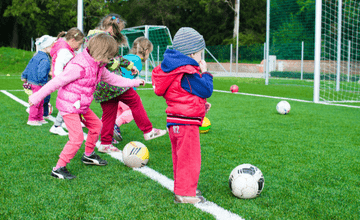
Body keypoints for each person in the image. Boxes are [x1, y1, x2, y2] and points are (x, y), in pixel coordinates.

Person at [28, 33, 145, 180]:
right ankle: (58, 168)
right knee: (76, 138)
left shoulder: (99, 65)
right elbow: (56, 82)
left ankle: (88, 155)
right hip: (69, 106)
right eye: (109, 57)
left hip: (81, 105)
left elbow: (112, 79)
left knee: (97, 126)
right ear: (101, 53)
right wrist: (36, 97)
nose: (111, 60)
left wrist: (133, 82)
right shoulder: (78, 66)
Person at [85, 13, 166, 153]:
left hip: (101, 86)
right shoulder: (102, 38)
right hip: (112, 82)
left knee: (109, 113)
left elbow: (115, 57)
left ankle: (105, 143)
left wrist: (129, 66)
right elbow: (107, 60)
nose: (119, 33)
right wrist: (119, 66)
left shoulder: (94, 36)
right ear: (111, 27)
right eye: (119, 30)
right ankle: (148, 130)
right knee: (134, 100)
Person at [152, 27, 213, 204]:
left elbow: (183, 94)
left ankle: (183, 187)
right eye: (200, 54)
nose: (201, 58)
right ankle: (185, 194)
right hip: (186, 124)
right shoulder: (187, 71)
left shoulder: (173, 70)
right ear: (192, 53)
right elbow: (206, 88)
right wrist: (205, 72)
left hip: (175, 121)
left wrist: (201, 106)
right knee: (189, 158)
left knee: (180, 157)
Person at [113, 37, 153, 142]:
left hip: (114, 89)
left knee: (118, 111)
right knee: (132, 111)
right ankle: (115, 125)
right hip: (124, 91)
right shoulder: (138, 61)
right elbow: (128, 76)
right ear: (146, 51)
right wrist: (137, 81)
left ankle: (109, 133)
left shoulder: (126, 56)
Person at [49, 27, 85, 136]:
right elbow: (59, 67)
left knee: (73, 101)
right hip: (64, 81)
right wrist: (61, 80)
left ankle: (66, 122)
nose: (79, 48)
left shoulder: (65, 47)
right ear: (72, 40)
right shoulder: (65, 51)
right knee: (68, 103)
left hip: (64, 80)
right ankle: (57, 125)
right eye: (79, 44)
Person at [21, 35, 57, 126]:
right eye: (52, 46)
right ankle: (32, 119)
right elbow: (42, 72)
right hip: (39, 83)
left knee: (41, 101)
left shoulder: (37, 55)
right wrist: (44, 83)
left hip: (34, 82)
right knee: (37, 101)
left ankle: (39, 118)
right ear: (47, 47)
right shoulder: (45, 58)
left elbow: (29, 66)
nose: (53, 48)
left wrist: (24, 75)